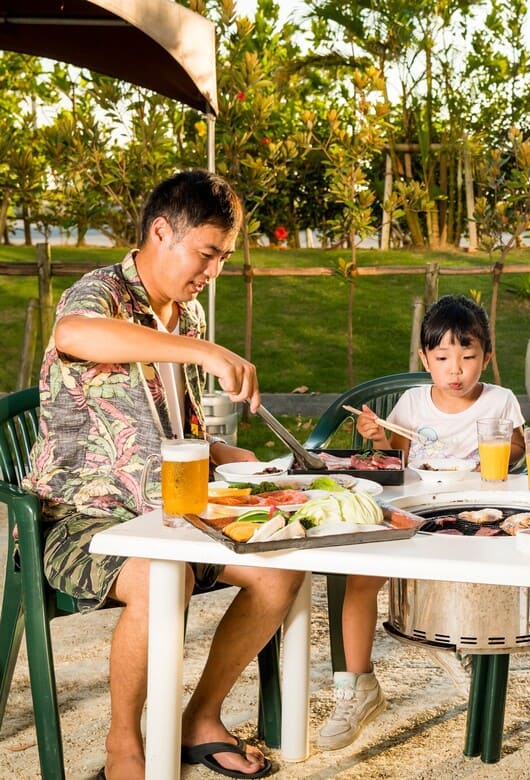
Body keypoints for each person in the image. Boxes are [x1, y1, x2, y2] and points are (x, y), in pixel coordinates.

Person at [25, 170, 304, 780]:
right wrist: (200, 350)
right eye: (206, 254)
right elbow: (73, 335)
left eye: (223, 258)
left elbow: (179, 432)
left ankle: (198, 720)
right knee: (160, 578)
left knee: (281, 570)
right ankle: (123, 744)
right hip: (86, 522)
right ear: (160, 231)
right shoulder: (98, 294)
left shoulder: (191, 313)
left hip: (174, 509)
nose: (212, 271)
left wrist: (229, 458)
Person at [319, 294, 525, 751]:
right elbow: (397, 458)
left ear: (486, 357)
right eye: (443, 358)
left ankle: (464, 649)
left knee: (474, 577)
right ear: (424, 360)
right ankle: (357, 685)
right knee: (360, 578)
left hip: (474, 513)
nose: (456, 370)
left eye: (468, 357)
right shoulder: (413, 404)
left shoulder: (500, 400)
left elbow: (518, 453)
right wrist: (380, 436)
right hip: (414, 509)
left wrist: (503, 448)